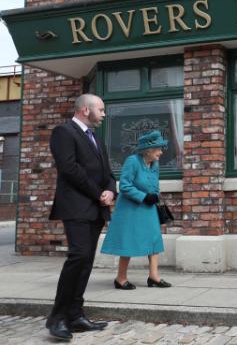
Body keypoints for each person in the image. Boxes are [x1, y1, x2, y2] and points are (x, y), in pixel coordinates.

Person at [46, 94, 115, 340]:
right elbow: (69, 169)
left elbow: (108, 171)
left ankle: (75, 316)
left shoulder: (95, 137)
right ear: (86, 110)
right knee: (78, 257)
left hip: (95, 208)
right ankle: (58, 317)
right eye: (101, 109)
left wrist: (110, 189)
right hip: (76, 207)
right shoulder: (63, 132)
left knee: (86, 261)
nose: (104, 114)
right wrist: (98, 193)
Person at [101, 130, 172, 290]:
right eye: (159, 149)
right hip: (131, 209)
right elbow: (124, 185)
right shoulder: (132, 161)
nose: (161, 152)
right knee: (128, 242)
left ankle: (154, 277)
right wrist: (143, 196)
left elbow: (154, 184)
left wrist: (154, 196)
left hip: (149, 208)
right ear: (148, 150)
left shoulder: (154, 164)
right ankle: (120, 278)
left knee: (154, 240)